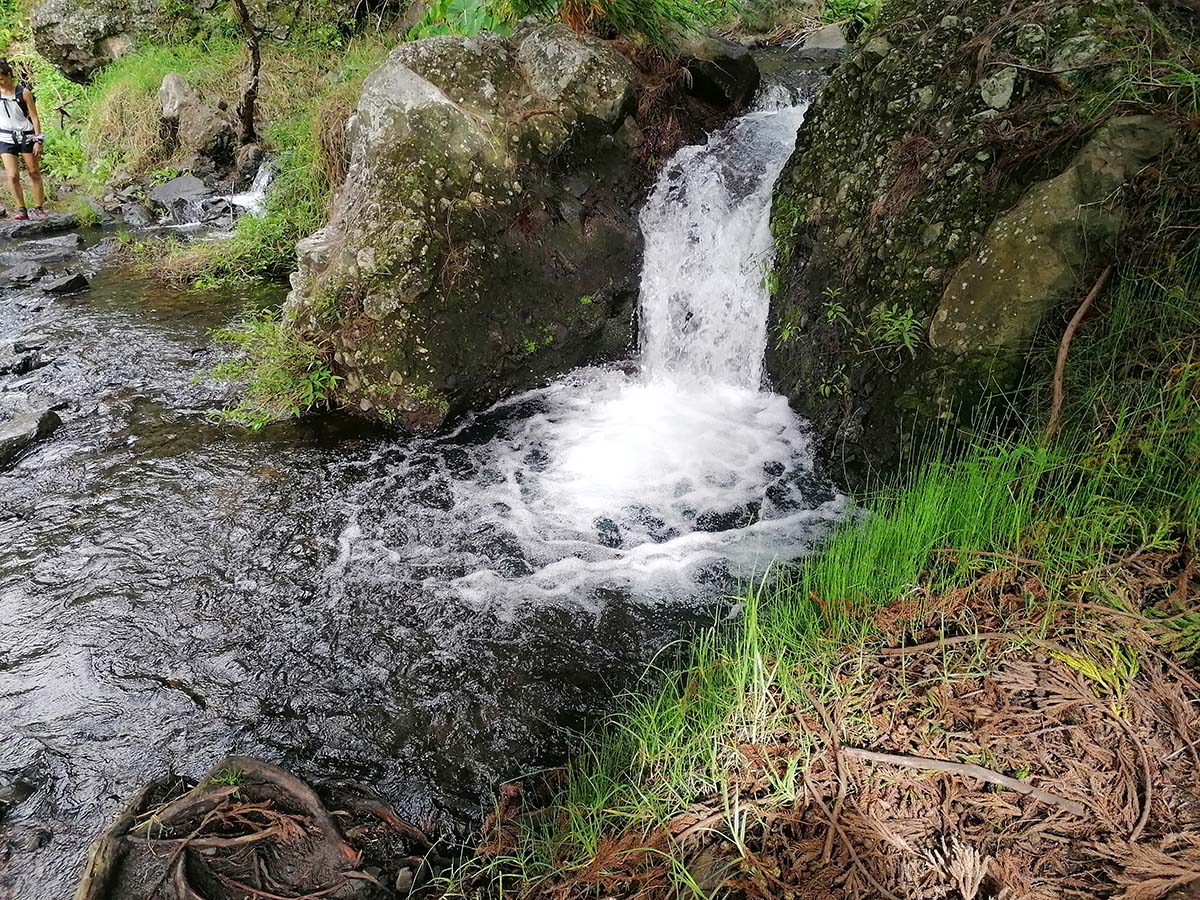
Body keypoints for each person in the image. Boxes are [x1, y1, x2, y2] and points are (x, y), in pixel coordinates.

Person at [0, 59, 46, 220]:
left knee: (33, 172)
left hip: (26, 136)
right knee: (12, 175)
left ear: (9, 76)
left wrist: (38, 139)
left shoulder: (23, 93)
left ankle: (39, 208)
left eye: (1, 79)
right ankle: (21, 210)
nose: (0, 82)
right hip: (5, 138)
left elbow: (34, 117)